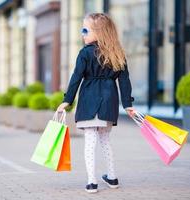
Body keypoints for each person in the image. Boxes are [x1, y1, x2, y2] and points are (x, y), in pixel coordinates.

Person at [57, 13, 136, 193]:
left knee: (90, 142)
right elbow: (124, 81)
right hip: (109, 102)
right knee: (105, 140)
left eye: (85, 30)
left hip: (89, 102)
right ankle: (112, 177)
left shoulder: (85, 53)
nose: (82, 33)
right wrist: (127, 104)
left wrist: (67, 100)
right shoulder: (117, 53)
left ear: (99, 33)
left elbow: (76, 78)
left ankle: (92, 182)